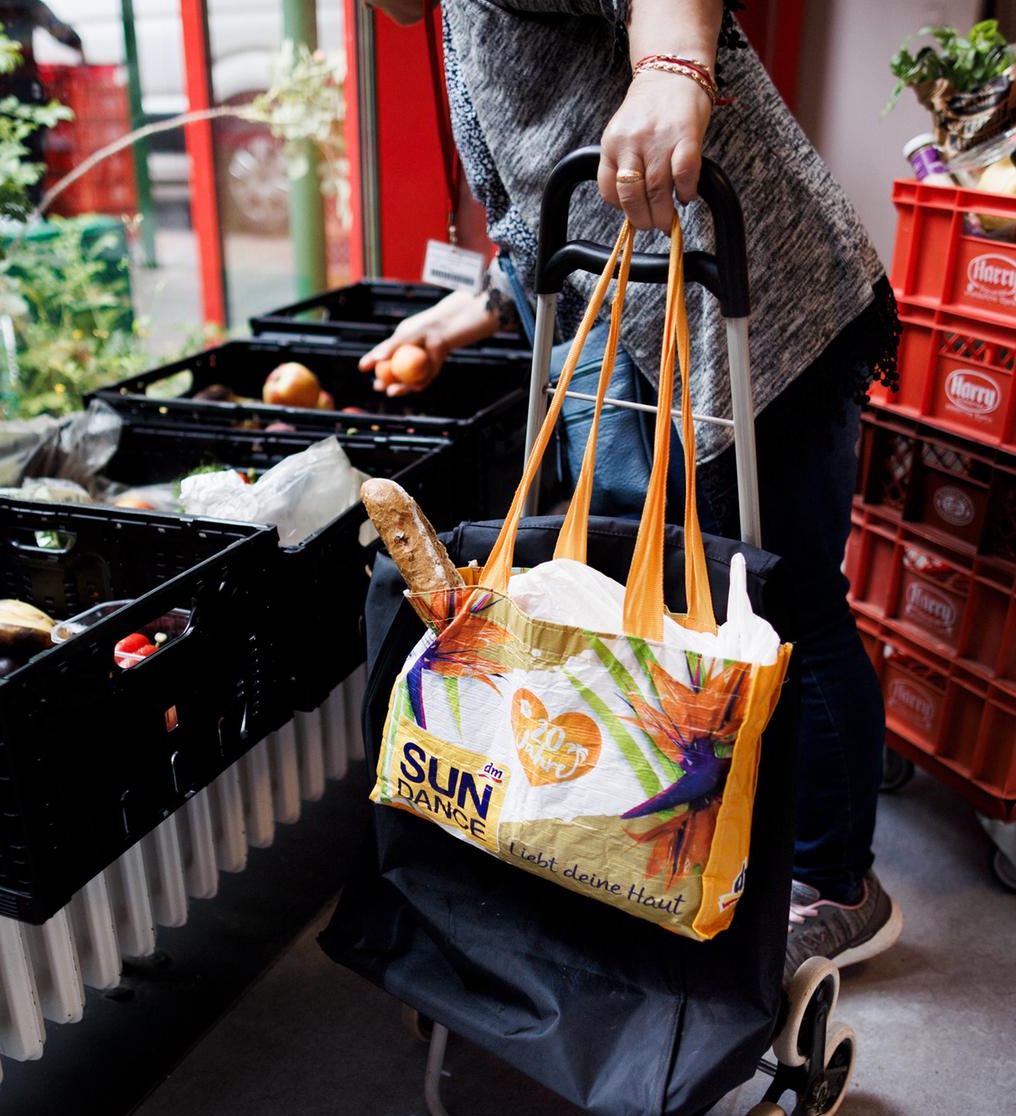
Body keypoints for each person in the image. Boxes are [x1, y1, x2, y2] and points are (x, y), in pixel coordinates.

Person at [358, 0, 904, 981]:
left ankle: (838, 889)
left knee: (786, 608)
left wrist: (673, 69)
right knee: (662, 609)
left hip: (760, 312)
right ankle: (679, 840)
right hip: (655, 331)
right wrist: (466, 315)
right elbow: (549, 185)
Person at [0, 0, 84, 202]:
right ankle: (28, 208)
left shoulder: (23, 5)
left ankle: (24, 209)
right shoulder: (25, 5)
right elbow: (66, 36)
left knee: (6, 161)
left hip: (2, 97)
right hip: (14, 97)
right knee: (26, 159)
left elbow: (65, 35)